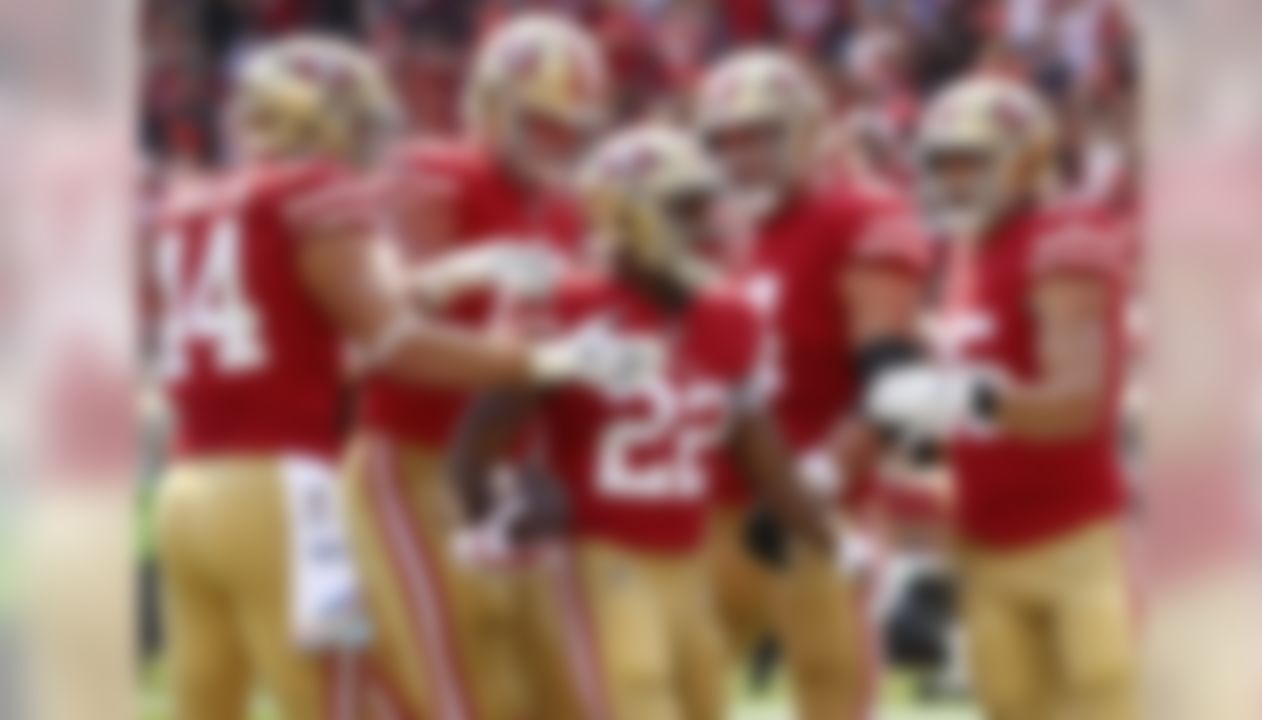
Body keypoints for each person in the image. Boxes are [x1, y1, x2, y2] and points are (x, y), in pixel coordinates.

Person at [150, 34, 638, 720]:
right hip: (289, 490)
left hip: (186, 490)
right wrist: (544, 360)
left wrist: (456, 274)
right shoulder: (313, 191)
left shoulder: (188, 201)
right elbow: (391, 342)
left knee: (204, 699)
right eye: (357, 119)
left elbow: (330, 302)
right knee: (349, 697)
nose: (368, 141)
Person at [448, 126, 852, 720]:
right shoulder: (568, 302)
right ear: (628, 213)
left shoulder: (727, 315)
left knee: (705, 702)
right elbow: (479, 438)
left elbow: (763, 454)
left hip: (685, 565)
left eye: (702, 204)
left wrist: (841, 547)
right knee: (634, 700)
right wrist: (492, 522)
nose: (706, 222)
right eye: (682, 207)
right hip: (595, 558)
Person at [339, 14, 613, 720]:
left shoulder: (566, 210)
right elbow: (391, 310)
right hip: (414, 456)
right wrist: (471, 281)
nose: (560, 143)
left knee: (549, 687)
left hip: (509, 470)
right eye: (544, 123)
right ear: (493, 109)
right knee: (447, 676)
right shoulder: (438, 171)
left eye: (572, 128)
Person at [866, 74, 1138, 720]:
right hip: (982, 547)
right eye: (942, 165)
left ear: (1027, 159)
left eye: (971, 163)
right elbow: (955, 436)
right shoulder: (967, 253)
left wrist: (967, 398)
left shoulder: (1061, 234)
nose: (953, 181)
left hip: (1070, 541)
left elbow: (1079, 403)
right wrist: (924, 563)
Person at [692, 49, 930, 719]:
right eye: (725, 142)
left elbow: (896, 383)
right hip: (712, 504)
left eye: (758, 136)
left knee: (832, 693)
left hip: (819, 509)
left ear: (803, 131)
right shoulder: (723, 234)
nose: (740, 157)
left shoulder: (858, 216)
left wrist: (815, 482)